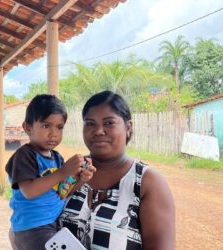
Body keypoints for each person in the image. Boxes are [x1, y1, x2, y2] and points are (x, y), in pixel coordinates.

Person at [59, 91, 175, 250]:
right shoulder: (72, 170)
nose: (99, 130)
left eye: (108, 123)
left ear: (128, 127)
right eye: (90, 123)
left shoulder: (147, 182)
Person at [6, 94, 96, 250]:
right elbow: (29, 191)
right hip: (32, 228)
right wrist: (63, 171)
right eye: (46, 126)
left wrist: (82, 178)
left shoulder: (56, 158)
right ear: (28, 128)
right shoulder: (24, 156)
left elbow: (62, 192)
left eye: (59, 127)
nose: (54, 133)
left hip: (51, 223)